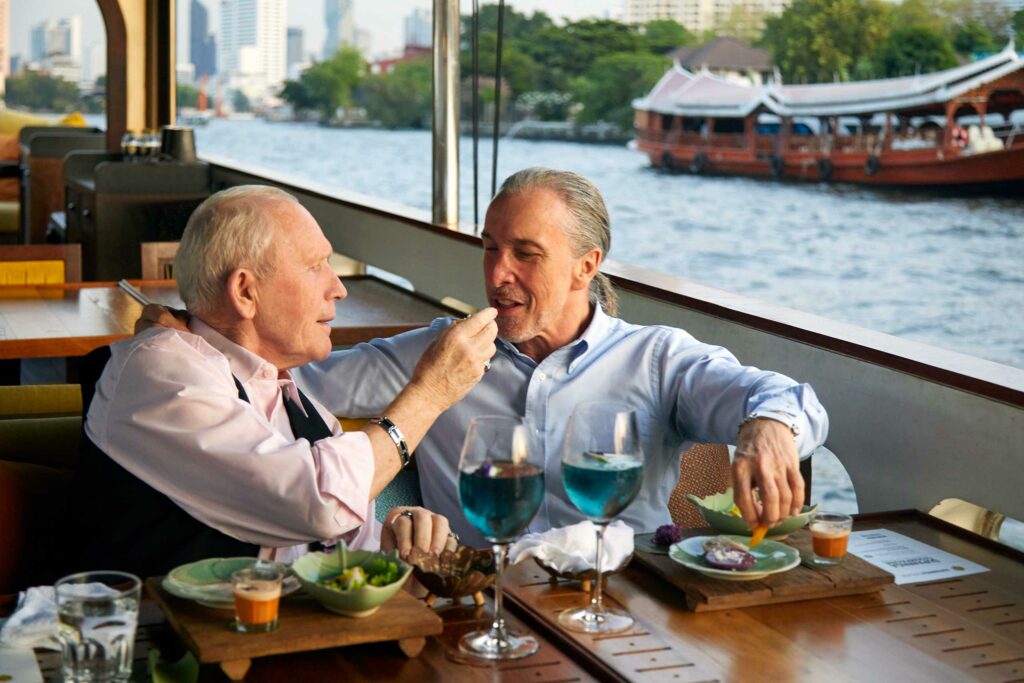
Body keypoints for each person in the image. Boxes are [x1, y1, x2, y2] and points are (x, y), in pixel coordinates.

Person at [141, 169, 828, 548]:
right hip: (480, 612)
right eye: (489, 247)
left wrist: (769, 424)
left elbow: (775, 394)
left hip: (624, 609)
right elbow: (276, 387)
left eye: (525, 254)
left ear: (586, 266)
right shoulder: (439, 354)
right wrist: (195, 334)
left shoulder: (656, 358)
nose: (497, 273)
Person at [77, 185, 497, 576]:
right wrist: (431, 393)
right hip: (155, 642)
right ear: (245, 291)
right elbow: (317, 504)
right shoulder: (160, 370)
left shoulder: (293, 397)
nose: (338, 288)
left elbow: (342, 542)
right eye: (315, 266)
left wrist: (398, 535)